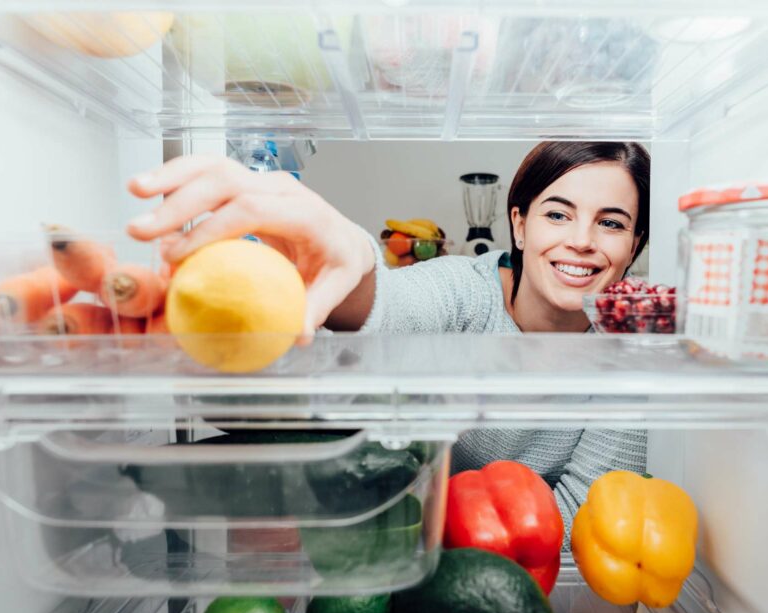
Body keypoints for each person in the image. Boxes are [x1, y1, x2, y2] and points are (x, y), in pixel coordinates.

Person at [127, 141, 649, 548]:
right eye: (557, 214)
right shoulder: (465, 288)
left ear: (634, 247)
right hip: (402, 542)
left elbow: (593, 514)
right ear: (518, 224)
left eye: (610, 223)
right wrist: (350, 258)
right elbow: (391, 308)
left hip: (520, 568)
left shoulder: (630, 353)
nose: (582, 240)